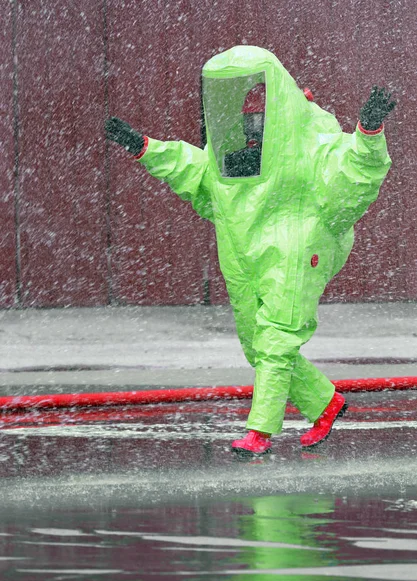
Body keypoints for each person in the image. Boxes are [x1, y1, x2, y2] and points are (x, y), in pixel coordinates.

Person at [105, 46, 395, 457]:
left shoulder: (310, 146)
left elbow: (352, 180)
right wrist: (145, 147)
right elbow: (196, 171)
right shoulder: (233, 160)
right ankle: (325, 404)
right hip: (244, 252)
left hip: (300, 246)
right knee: (255, 343)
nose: (252, 125)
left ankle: (260, 433)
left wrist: (368, 133)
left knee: (277, 340)